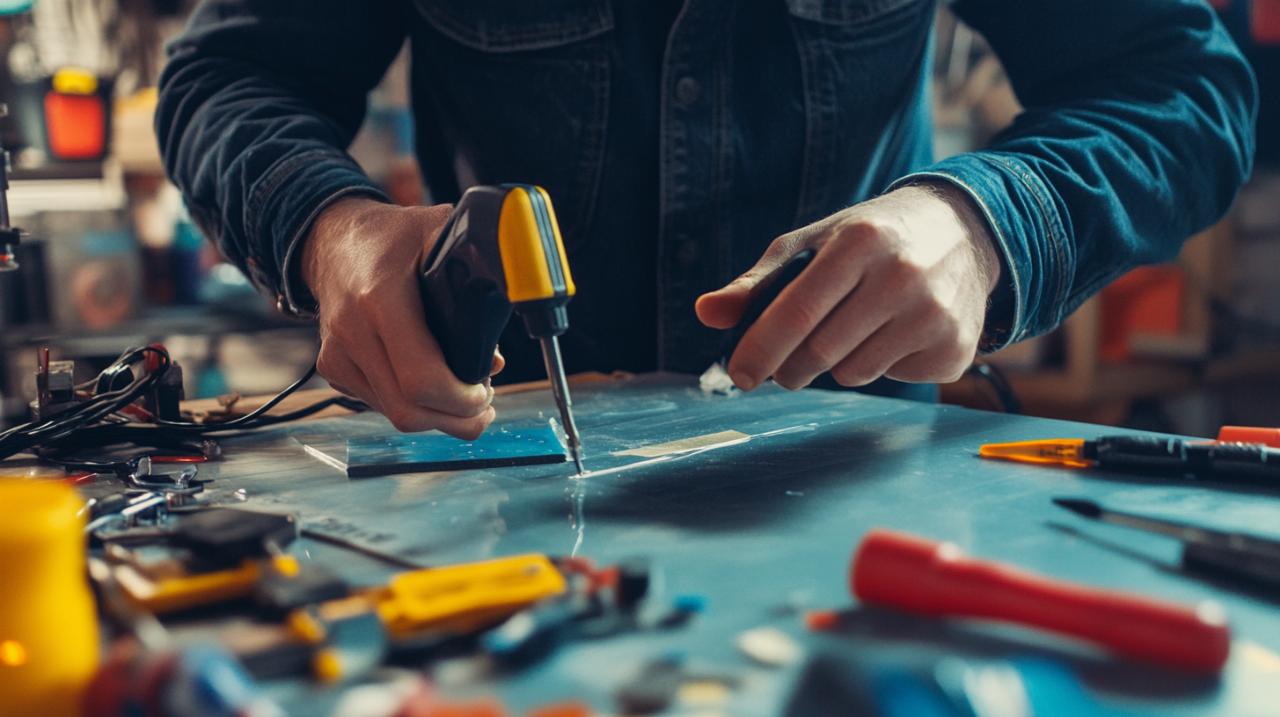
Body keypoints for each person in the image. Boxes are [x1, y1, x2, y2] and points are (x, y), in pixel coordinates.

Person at [157, 1, 1256, 439]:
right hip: (496, 465)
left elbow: (1183, 89)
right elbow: (227, 75)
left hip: (855, 481)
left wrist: (982, 225)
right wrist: (334, 231)